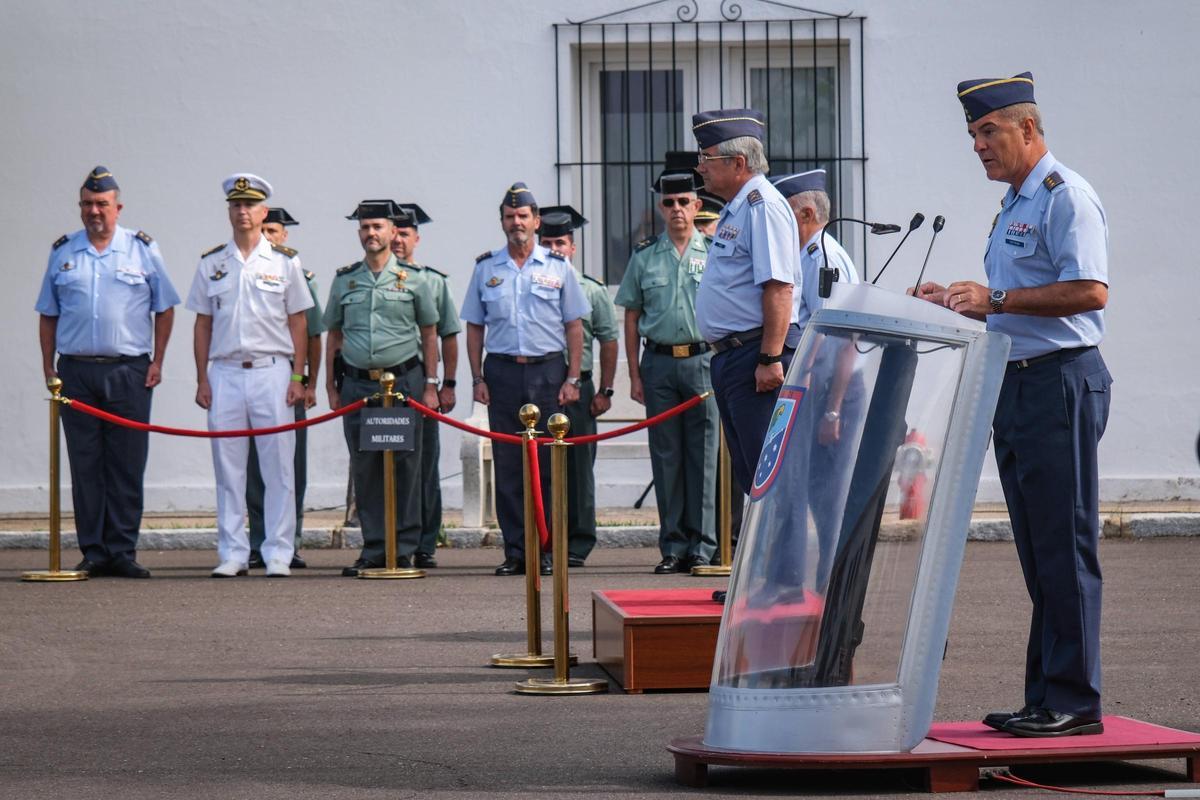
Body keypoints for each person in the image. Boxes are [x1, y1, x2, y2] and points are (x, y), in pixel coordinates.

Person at [914, 72, 1111, 738]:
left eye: (988, 131)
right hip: (1018, 382)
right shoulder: (1016, 203)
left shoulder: (1065, 197)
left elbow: (1089, 292)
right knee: (1038, 550)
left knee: (1065, 547)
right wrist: (958, 300)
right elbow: (1009, 299)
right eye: (972, 134)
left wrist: (995, 301)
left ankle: (1075, 701)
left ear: (1028, 128)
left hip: (1059, 382)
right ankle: (1044, 695)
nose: (978, 145)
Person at [35, 166, 180, 578]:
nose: (94, 210)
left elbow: (164, 307)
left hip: (129, 371)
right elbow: (48, 314)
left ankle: (122, 550)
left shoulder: (142, 249)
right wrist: (48, 366)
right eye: (87, 204)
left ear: (118, 207)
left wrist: (158, 361)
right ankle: (94, 551)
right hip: (76, 372)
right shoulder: (64, 251)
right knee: (85, 464)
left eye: (102, 204)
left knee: (127, 463)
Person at [461, 183, 590, 577]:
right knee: (509, 464)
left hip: (547, 373)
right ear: (502, 221)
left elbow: (574, 326)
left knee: (549, 467)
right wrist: (477, 377)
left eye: (522, 216)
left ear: (535, 221)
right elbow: (474, 328)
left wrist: (572, 377)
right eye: (509, 216)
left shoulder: (557, 266)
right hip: (501, 372)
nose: (516, 223)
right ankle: (516, 550)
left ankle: (547, 550)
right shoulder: (487, 269)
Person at [187, 173, 312, 578]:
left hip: (271, 372)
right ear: (229, 211)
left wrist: (297, 377)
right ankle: (233, 552)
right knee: (228, 467)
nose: (243, 212)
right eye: (236, 205)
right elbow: (202, 323)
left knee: (278, 467)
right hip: (224, 372)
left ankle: (278, 550)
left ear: (263, 212)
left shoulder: (285, 261)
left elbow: (298, 322)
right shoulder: (212, 263)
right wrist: (201, 378)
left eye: (250, 205)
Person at [615, 155, 719, 574]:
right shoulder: (644, 257)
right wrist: (634, 375)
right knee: (667, 456)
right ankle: (673, 546)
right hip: (658, 364)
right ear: (660, 207)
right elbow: (631, 318)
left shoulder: (714, 253)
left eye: (684, 201)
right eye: (669, 202)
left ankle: (704, 546)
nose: (676, 209)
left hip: (703, 362)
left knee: (705, 456)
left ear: (697, 207)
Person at [324, 200, 440, 577]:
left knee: (406, 465)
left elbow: (429, 333)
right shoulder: (346, 280)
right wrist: (330, 385)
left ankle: (403, 547)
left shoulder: (415, 279)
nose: (370, 233)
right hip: (359, 384)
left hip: (405, 382)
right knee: (366, 466)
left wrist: (432, 385)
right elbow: (334, 335)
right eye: (365, 227)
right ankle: (374, 547)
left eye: (377, 227)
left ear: (393, 232)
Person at [692, 109, 802, 497]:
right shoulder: (738, 208)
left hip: (755, 355)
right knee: (752, 476)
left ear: (738, 162)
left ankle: (782, 559)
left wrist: (770, 359)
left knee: (769, 476)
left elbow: (778, 287)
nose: (700, 167)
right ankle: (764, 558)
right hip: (733, 357)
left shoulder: (762, 206)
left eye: (707, 157)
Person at [771, 169, 865, 589]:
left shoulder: (824, 258)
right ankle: (812, 581)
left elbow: (845, 339)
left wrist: (830, 410)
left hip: (835, 392)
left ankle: (833, 585)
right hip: (820, 387)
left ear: (806, 212)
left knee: (830, 497)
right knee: (810, 491)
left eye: (784, 214)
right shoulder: (808, 255)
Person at [537, 204, 618, 568]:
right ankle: (545, 539)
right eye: (548, 242)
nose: (555, 249)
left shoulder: (592, 290)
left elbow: (609, 340)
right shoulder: (529, 284)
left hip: (580, 388)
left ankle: (578, 542)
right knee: (542, 469)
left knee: (579, 471)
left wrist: (606, 390)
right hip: (541, 387)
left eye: (561, 243)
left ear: (573, 248)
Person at [247, 207, 322, 570]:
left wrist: (309, 382)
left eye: (273, 230)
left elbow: (314, 334)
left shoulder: (298, 274)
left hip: (289, 383)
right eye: (263, 229)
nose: (267, 236)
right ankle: (257, 541)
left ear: (284, 235)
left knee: (291, 467)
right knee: (252, 467)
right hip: (252, 379)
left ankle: (289, 542)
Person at [391, 202, 461, 569]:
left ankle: (423, 541)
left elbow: (448, 336)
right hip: (381, 381)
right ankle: (388, 538)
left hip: (420, 381)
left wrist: (446, 384)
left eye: (405, 234)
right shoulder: (367, 278)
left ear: (416, 238)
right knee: (383, 462)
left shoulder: (432, 281)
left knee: (422, 463)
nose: (398, 240)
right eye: (395, 232)